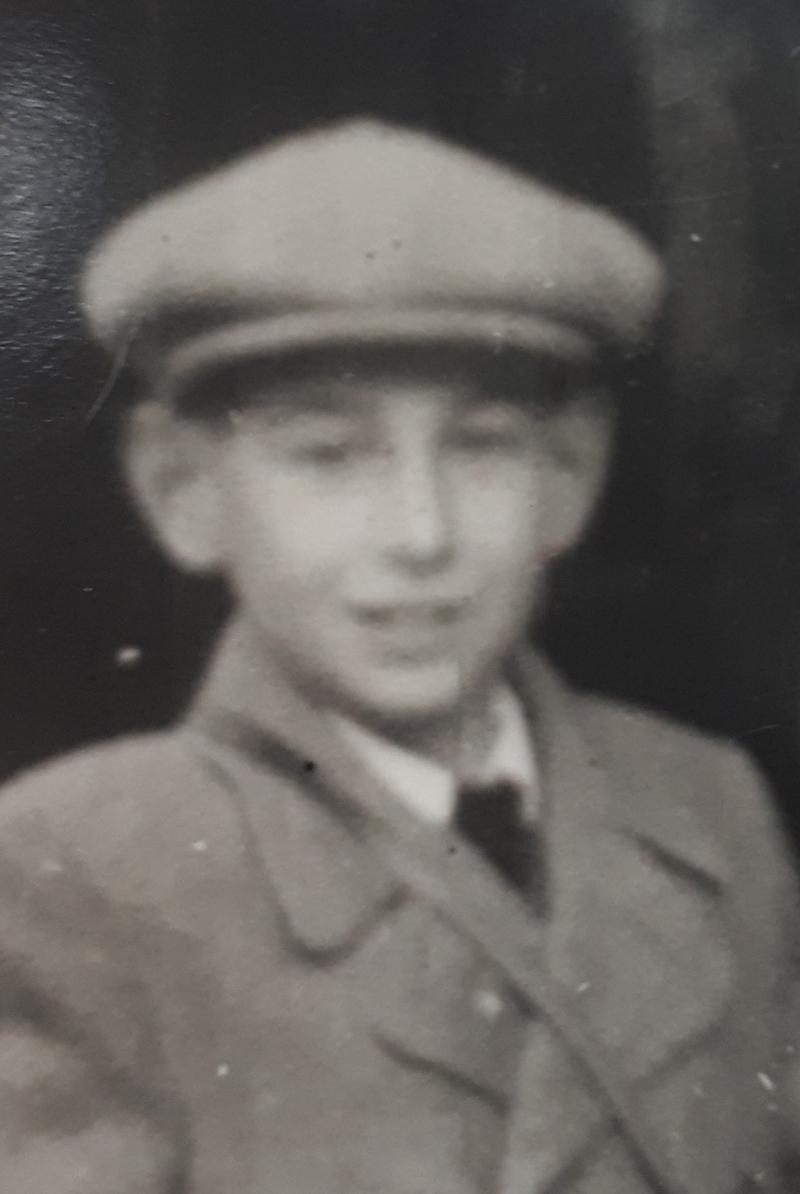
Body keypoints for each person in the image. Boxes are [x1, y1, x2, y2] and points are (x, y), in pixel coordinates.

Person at [0, 117, 797, 1194]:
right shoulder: (71, 875)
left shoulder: (704, 806)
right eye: (329, 457)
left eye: (482, 446)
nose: (421, 534)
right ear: (180, 490)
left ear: (569, 476)